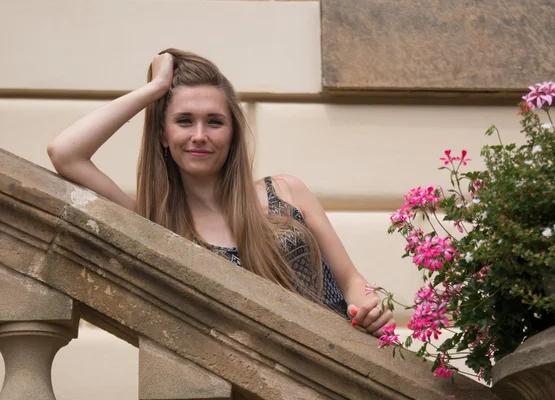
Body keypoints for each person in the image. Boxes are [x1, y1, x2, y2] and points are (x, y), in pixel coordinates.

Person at [47, 48, 395, 336]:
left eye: (214, 121)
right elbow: (65, 153)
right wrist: (155, 89)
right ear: (163, 135)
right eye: (184, 121)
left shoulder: (287, 191)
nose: (200, 134)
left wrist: (370, 306)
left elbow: (352, 282)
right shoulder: (155, 222)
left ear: (232, 135)